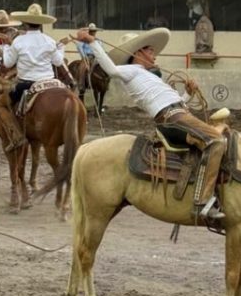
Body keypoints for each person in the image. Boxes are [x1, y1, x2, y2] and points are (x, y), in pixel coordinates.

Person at [74, 26, 227, 220]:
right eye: (151, 51)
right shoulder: (131, 71)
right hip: (173, 117)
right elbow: (111, 69)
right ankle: (203, 201)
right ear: (138, 52)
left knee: (219, 137)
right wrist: (92, 43)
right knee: (218, 141)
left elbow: (171, 102)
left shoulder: (148, 76)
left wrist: (187, 93)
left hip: (177, 113)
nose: (155, 56)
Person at [0, 4, 71, 152]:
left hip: (27, 84)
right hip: (50, 82)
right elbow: (58, 62)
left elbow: (8, 62)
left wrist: (8, 46)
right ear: (41, 23)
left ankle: (16, 136)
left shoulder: (19, 41)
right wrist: (62, 48)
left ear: (26, 23)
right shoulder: (49, 40)